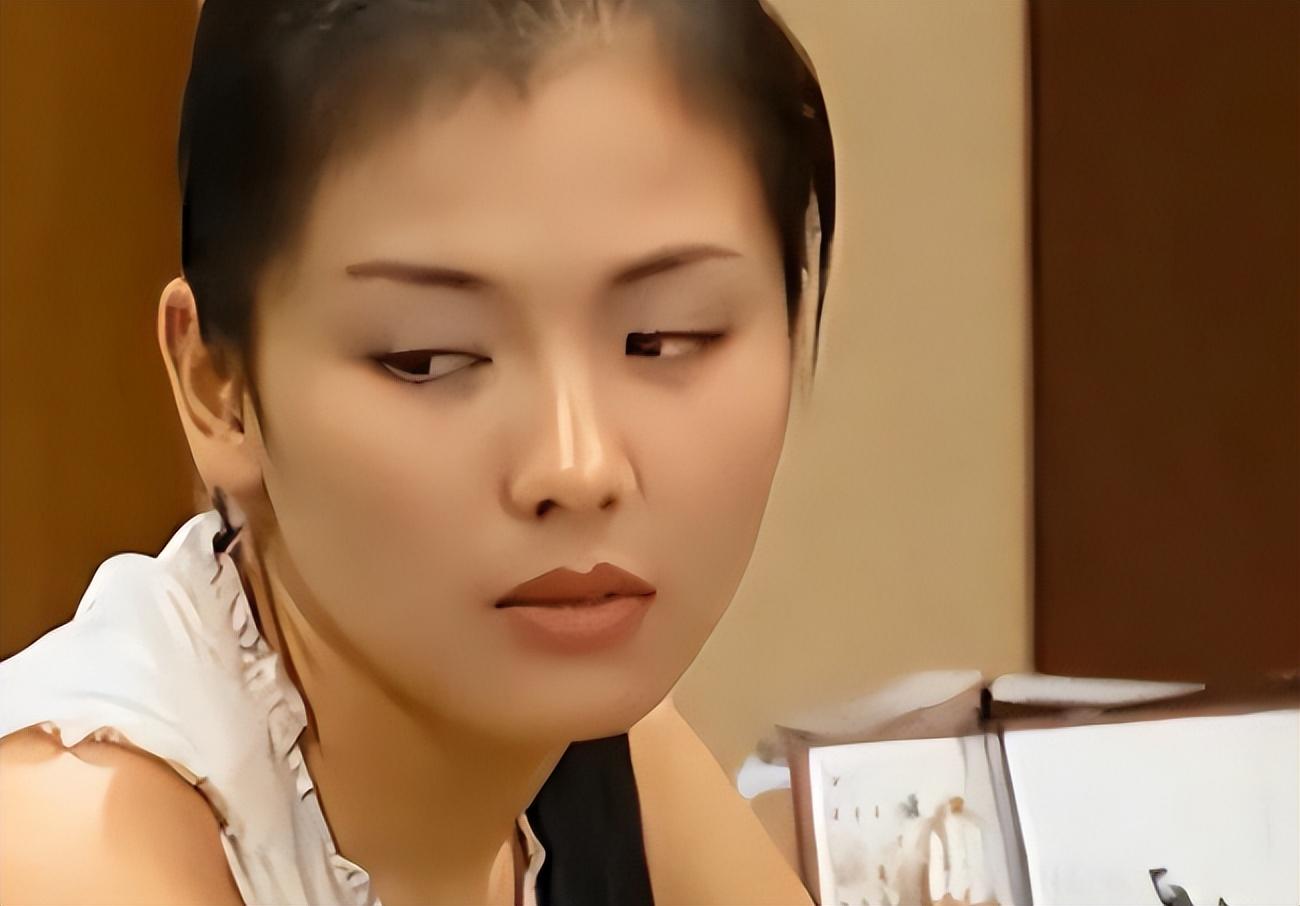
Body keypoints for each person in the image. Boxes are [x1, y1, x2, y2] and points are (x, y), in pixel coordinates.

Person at [0, 0, 836, 903]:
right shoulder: (73, 847)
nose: (577, 466)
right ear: (219, 387)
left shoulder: (603, 742)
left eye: (665, 338)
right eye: (429, 358)